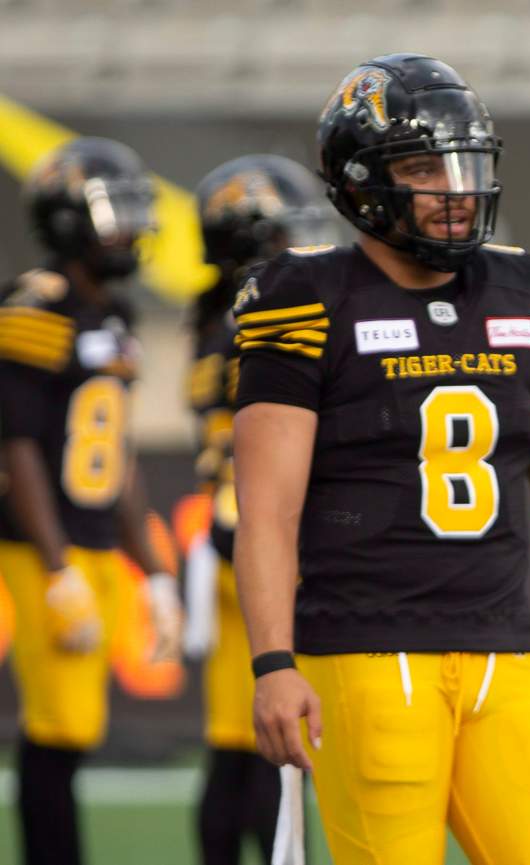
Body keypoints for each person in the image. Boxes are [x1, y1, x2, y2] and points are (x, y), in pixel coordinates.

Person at [231, 53, 530, 865]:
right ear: (362, 180)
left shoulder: (526, 290)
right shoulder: (305, 298)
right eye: (422, 165)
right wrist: (271, 662)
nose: (455, 186)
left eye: (464, 162)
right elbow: (268, 508)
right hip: (367, 652)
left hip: (506, 647)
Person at [0, 137, 184, 865]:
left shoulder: (117, 315)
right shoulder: (36, 303)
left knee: (76, 728)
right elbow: (14, 443)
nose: (130, 232)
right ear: (69, 221)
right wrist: (54, 565)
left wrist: (157, 569)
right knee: (58, 728)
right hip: (44, 542)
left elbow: (119, 452)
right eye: (115, 215)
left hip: (96, 537)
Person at [186, 153, 337, 865]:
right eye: (282, 236)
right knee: (273, 747)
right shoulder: (258, 323)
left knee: (239, 740)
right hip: (262, 534)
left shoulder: (214, 321)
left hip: (225, 528)